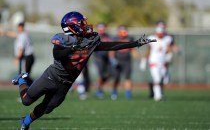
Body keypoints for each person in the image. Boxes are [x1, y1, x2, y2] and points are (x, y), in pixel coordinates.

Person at [11, 11, 156, 129]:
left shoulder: (90, 41)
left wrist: (135, 43)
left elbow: (110, 46)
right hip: (52, 77)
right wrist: (73, 48)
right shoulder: (63, 39)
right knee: (26, 101)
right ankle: (21, 79)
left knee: (48, 108)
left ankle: (26, 121)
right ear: (72, 27)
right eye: (81, 23)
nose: (85, 25)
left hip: (66, 82)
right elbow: (57, 53)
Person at [140, 21, 173, 101]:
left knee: (163, 80)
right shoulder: (151, 38)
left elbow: (169, 49)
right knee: (157, 78)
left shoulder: (167, 38)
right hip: (153, 62)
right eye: (159, 33)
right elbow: (148, 50)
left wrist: (169, 57)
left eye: (161, 33)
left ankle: (160, 93)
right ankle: (157, 96)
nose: (160, 34)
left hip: (163, 62)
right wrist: (144, 60)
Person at [109, 25, 140, 100]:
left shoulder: (130, 38)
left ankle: (128, 94)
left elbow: (133, 49)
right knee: (116, 78)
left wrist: (137, 58)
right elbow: (111, 50)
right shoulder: (115, 39)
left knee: (127, 77)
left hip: (127, 61)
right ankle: (114, 91)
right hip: (117, 60)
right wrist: (112, 59)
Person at [94, 22, 113, 99]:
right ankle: (99, 90)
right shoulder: (95, 36)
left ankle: (99, 87)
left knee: (109, 74)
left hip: (107, 58)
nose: (101, 29)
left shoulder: (108, 36)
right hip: (99, 58)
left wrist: (112, 58)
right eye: (100, 27)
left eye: (103, 27)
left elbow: (111, 47)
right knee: (100, 74)